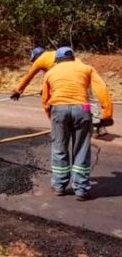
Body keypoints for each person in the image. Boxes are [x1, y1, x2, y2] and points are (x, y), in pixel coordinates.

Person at [42, 47, 113, 201]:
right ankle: (81, 189)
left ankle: (59, 185)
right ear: (73, 58)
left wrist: (52, 117)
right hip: (83, 108)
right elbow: (101, 88)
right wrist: (107, 113)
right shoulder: (86, 68)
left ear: (57, 60)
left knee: (59, 147)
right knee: (81, 148)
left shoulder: (51, 72)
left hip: (58, 109)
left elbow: (45, 100)